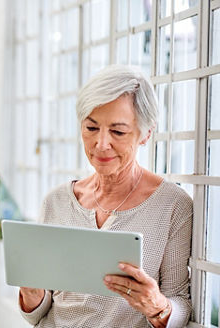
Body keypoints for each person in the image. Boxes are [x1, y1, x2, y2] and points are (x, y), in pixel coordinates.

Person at [18, 65, 193, 328]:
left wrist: (158, 306)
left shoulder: (173, 205)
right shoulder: (56, 202)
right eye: (91, 127)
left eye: (118, 132)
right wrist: (31, 294)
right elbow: (39, 313)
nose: (101, 144)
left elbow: (180, 301)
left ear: (145, 133)